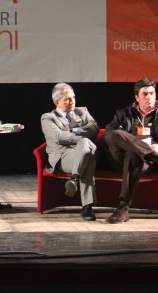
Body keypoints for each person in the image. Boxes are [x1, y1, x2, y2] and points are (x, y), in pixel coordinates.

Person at [104, 77, 158, 224]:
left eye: (152, 93)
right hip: (119, 157)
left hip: (144, 162)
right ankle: (156, 157)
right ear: (137, 97)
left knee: (134, 155)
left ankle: (123, 208)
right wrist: (131, 143)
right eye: (145, 94)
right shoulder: (123, 114)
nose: (149, 97)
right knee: (117, 134)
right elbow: (109, 135)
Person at [40, 83, 99, 221]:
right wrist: (82, 134)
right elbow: (59, 137)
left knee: (86, 151)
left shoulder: (82, 111)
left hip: (84, 151)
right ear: (57, 102)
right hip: (63, 155)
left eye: (73, 97)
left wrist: (73, 131)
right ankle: (87, 207)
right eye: (67, 99)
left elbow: (94, 129)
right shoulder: (48, 117)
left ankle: (74, 179)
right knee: (87, 153)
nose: (71, 101)